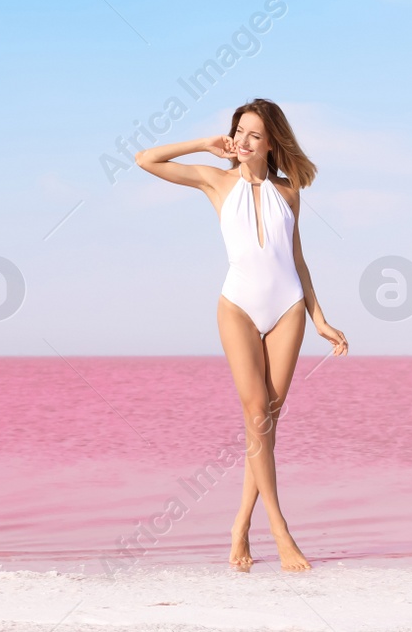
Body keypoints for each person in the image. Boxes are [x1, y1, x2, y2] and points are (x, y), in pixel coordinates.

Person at [135, 98, 348, 571]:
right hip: (237, 307)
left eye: (255, 134)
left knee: (266, 421)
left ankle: (240, 525)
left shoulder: (289, 191)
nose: (245, 140)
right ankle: (280, 529)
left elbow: (297, 260)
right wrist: (203, 145)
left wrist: (319, 319)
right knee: (256, 414)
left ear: (271, 142)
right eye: (239, 131)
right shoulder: (216, 180)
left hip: (288, 307)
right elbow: (144, 160)